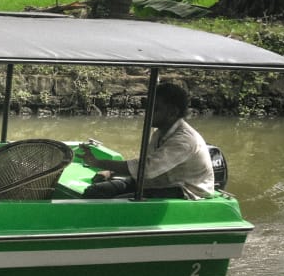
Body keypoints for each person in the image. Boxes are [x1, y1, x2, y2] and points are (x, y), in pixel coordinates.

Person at [80, 82, 214, 199]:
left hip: (184, 190)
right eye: (147, 106)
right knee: (96, 191)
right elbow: (147, 163)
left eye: (155, 109)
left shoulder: (184, 140)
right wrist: (111, 172)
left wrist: (98, 162)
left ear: (172, 112)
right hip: (159, 182)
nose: (147, 112)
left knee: (120, 202)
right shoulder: (161, 132)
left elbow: (147, 169)